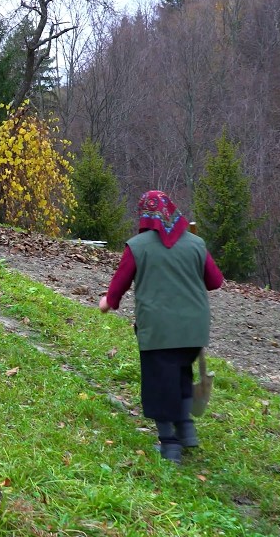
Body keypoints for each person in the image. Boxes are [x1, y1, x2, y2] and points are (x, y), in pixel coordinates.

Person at [99, 190, 224, 465]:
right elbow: (215, 281)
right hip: (194, 329)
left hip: (158, 329)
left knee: (159, 384)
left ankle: (169, 445)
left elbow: (120, 283)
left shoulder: (137, 246)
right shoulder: (196, 243)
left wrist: (108, 302)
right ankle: (186, 428)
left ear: (144, 216)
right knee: (181, 372)